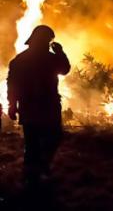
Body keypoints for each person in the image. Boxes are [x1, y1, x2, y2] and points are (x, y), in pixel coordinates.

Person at [7, 25, 70, 185]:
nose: (48, 43)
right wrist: (60, 52)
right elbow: (64, 69)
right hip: (46, 106)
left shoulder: (19, 60)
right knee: (49, 137)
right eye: (47, 40)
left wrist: (13, 106)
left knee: (34, 141)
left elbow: (12, 85)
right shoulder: (49, 58)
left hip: (32, 107)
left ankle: (34, 172)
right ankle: (35, 172)